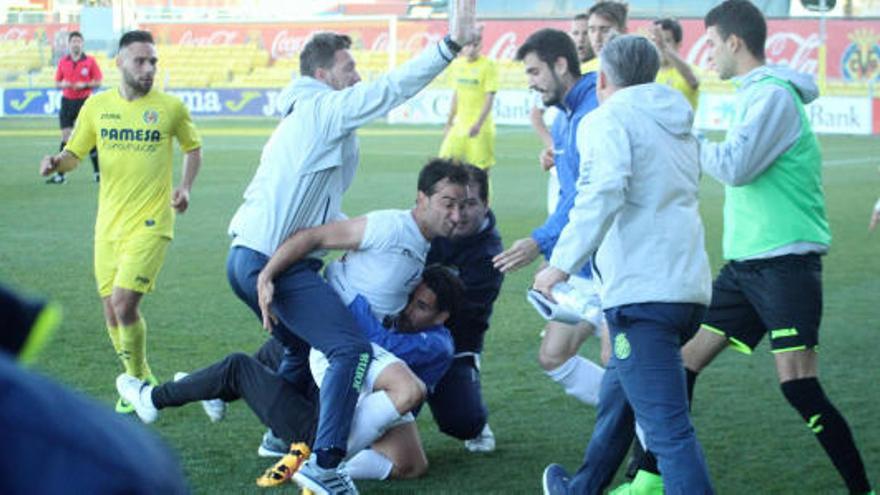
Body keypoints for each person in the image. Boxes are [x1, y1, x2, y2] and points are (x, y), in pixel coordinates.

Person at [224, 3, 477, 491]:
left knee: (299, 350)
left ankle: (278, 435)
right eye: (349, 68)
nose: (358, 76)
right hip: (270, 259)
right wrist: (447, 47)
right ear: (323, 75)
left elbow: (321, 215)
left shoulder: (314, 123)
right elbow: (388, 91)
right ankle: (325, 462)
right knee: (346, 349)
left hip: (256, 255)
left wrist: (372, 232)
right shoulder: (321, 112)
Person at [678, 2, 874, 494]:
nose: (709, 55)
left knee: (799, 386)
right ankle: (649, 478)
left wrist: (686, 138)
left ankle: (863, 489)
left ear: (734, 42)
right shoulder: (755, 95)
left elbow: (736, 166)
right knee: (683, 364)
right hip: (746, 266)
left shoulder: (771, 98)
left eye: (711, 43)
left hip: (785, 263)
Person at [535, 34, 714, 495]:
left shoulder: (607, 118)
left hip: (643, 295)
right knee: (618, 398)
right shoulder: (677, 121)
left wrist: (558, 265)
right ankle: (580, 489)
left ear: (605, 79)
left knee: (670, 435)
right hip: (686, 289)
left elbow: (602, 192)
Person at [115, 266, 462, 486]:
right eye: (411, 299)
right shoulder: (408, 330)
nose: (406, 310)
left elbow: (374, 341)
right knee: (292, 345)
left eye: (421, 306)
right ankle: (204, 392)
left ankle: (155, 398)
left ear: (442, 316)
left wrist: (346, 288)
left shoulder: (436, 345)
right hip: (358, 398)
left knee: (240, 366)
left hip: (334, 422)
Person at [38, 30, 202, 415]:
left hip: (151, 221)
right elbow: (75, 154)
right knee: (110, 310)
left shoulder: (171, 108)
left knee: (124, 303)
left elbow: (192, 148)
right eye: (140, 61)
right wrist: (56, 163)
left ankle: (138, 383)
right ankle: (139, 378)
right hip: (107, 226)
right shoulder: (96, 108)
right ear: (120, 63)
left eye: (153, 62)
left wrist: (185, 187)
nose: (148, 69)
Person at [494, 28, 608, 409]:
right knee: (553, 356)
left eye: (534, 72)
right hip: (583, 263)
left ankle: (648, 452)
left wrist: (540, 241)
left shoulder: (595, 111)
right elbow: (567, 195)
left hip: (617, 263)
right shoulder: (564, 118)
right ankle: (627, 421)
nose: (531, 84)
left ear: (561, 64)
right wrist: (555, 250)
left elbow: (586, 198)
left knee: (619, 364)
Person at [0, 283, 188, 495]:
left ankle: (151, 388)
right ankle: (155, 390)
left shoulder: (109, 468)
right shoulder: (119, 462)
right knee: (114, 305)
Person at [425, 164, 504, 452]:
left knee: (463, 421)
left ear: (486, 204)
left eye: (470, 204)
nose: (458, 216)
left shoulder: (490, 256)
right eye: (451, 204)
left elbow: (460, 314)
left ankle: (474, 420)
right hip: (404, 328)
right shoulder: (423, 226)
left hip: (453, 343)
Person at [530, 12, 597, 214]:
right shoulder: (556, 69)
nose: (581, 38)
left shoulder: (603, 70)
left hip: (589, 166)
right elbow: (535, 114)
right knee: (560, 221)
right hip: (562, 167)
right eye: (576, 33)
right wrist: (555, 148)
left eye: (586, 33)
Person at [47, 30, 102, 184]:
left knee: (89, 138)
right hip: (67, 102)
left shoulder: (90, 61)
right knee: (66, 138)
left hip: (84, 102)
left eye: (78, 41)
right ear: (69, 44)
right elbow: (57, 83)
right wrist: (62, 84)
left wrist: (85, 84)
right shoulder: (63, 62)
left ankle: (98, 174)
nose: (76, 44)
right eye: (73, 41)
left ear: (82, 44)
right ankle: (61, 175)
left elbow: (98, 81)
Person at [438, 34, 499, 171]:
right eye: (467, 45)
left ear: (480, 46)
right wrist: (448, 123)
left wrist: (478, 124)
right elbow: (456, 95)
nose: (471, 49)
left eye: (475, 45)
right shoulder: (457, 65)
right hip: (459, 127)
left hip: (481, 129)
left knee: (480, 171)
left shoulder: (488, 66)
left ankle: (483, 193)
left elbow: (489, 98)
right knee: (444, 163)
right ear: (462, 47)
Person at [650, 18, 700, 110]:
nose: (658, 45)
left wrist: (664, 47)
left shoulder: (689, 71)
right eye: (654, 41)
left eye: (667, 41)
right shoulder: (648, 74)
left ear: (678, 44)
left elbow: (693, 82)